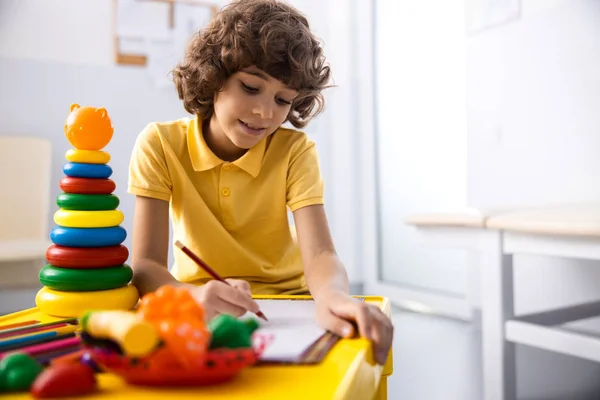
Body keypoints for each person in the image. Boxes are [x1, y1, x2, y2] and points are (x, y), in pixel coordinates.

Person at [128, 0, 393, 365]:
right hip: (198, 303)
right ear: (214, 75)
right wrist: (190, 297)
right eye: (251, 87)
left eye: (283, 100)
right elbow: (145, 265)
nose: (265, 113)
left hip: (290, 302)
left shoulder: (295, 151)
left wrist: (333, 296)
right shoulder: (159, 144)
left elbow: (320, 254)